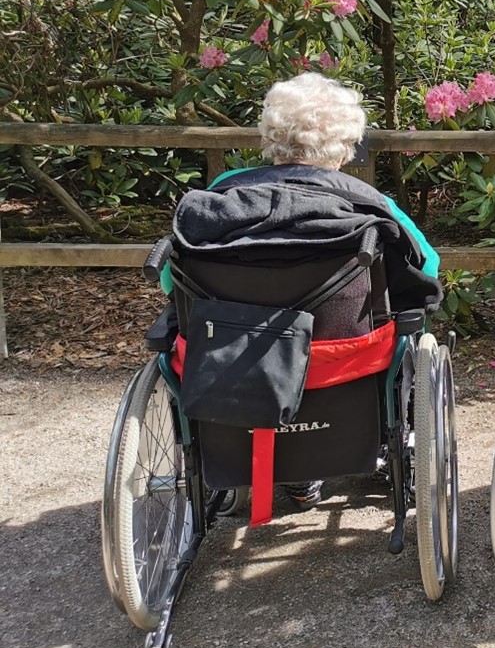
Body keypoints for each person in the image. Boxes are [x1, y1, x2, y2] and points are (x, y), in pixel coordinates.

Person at [166, 72, 442, 508]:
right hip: (342, 367)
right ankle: (344, 455)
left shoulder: (218, 199)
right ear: (347, 144)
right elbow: (425, 268)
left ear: (270, 135)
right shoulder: (368, 203)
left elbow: (172, 280)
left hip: (227, 368)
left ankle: (265, 469)